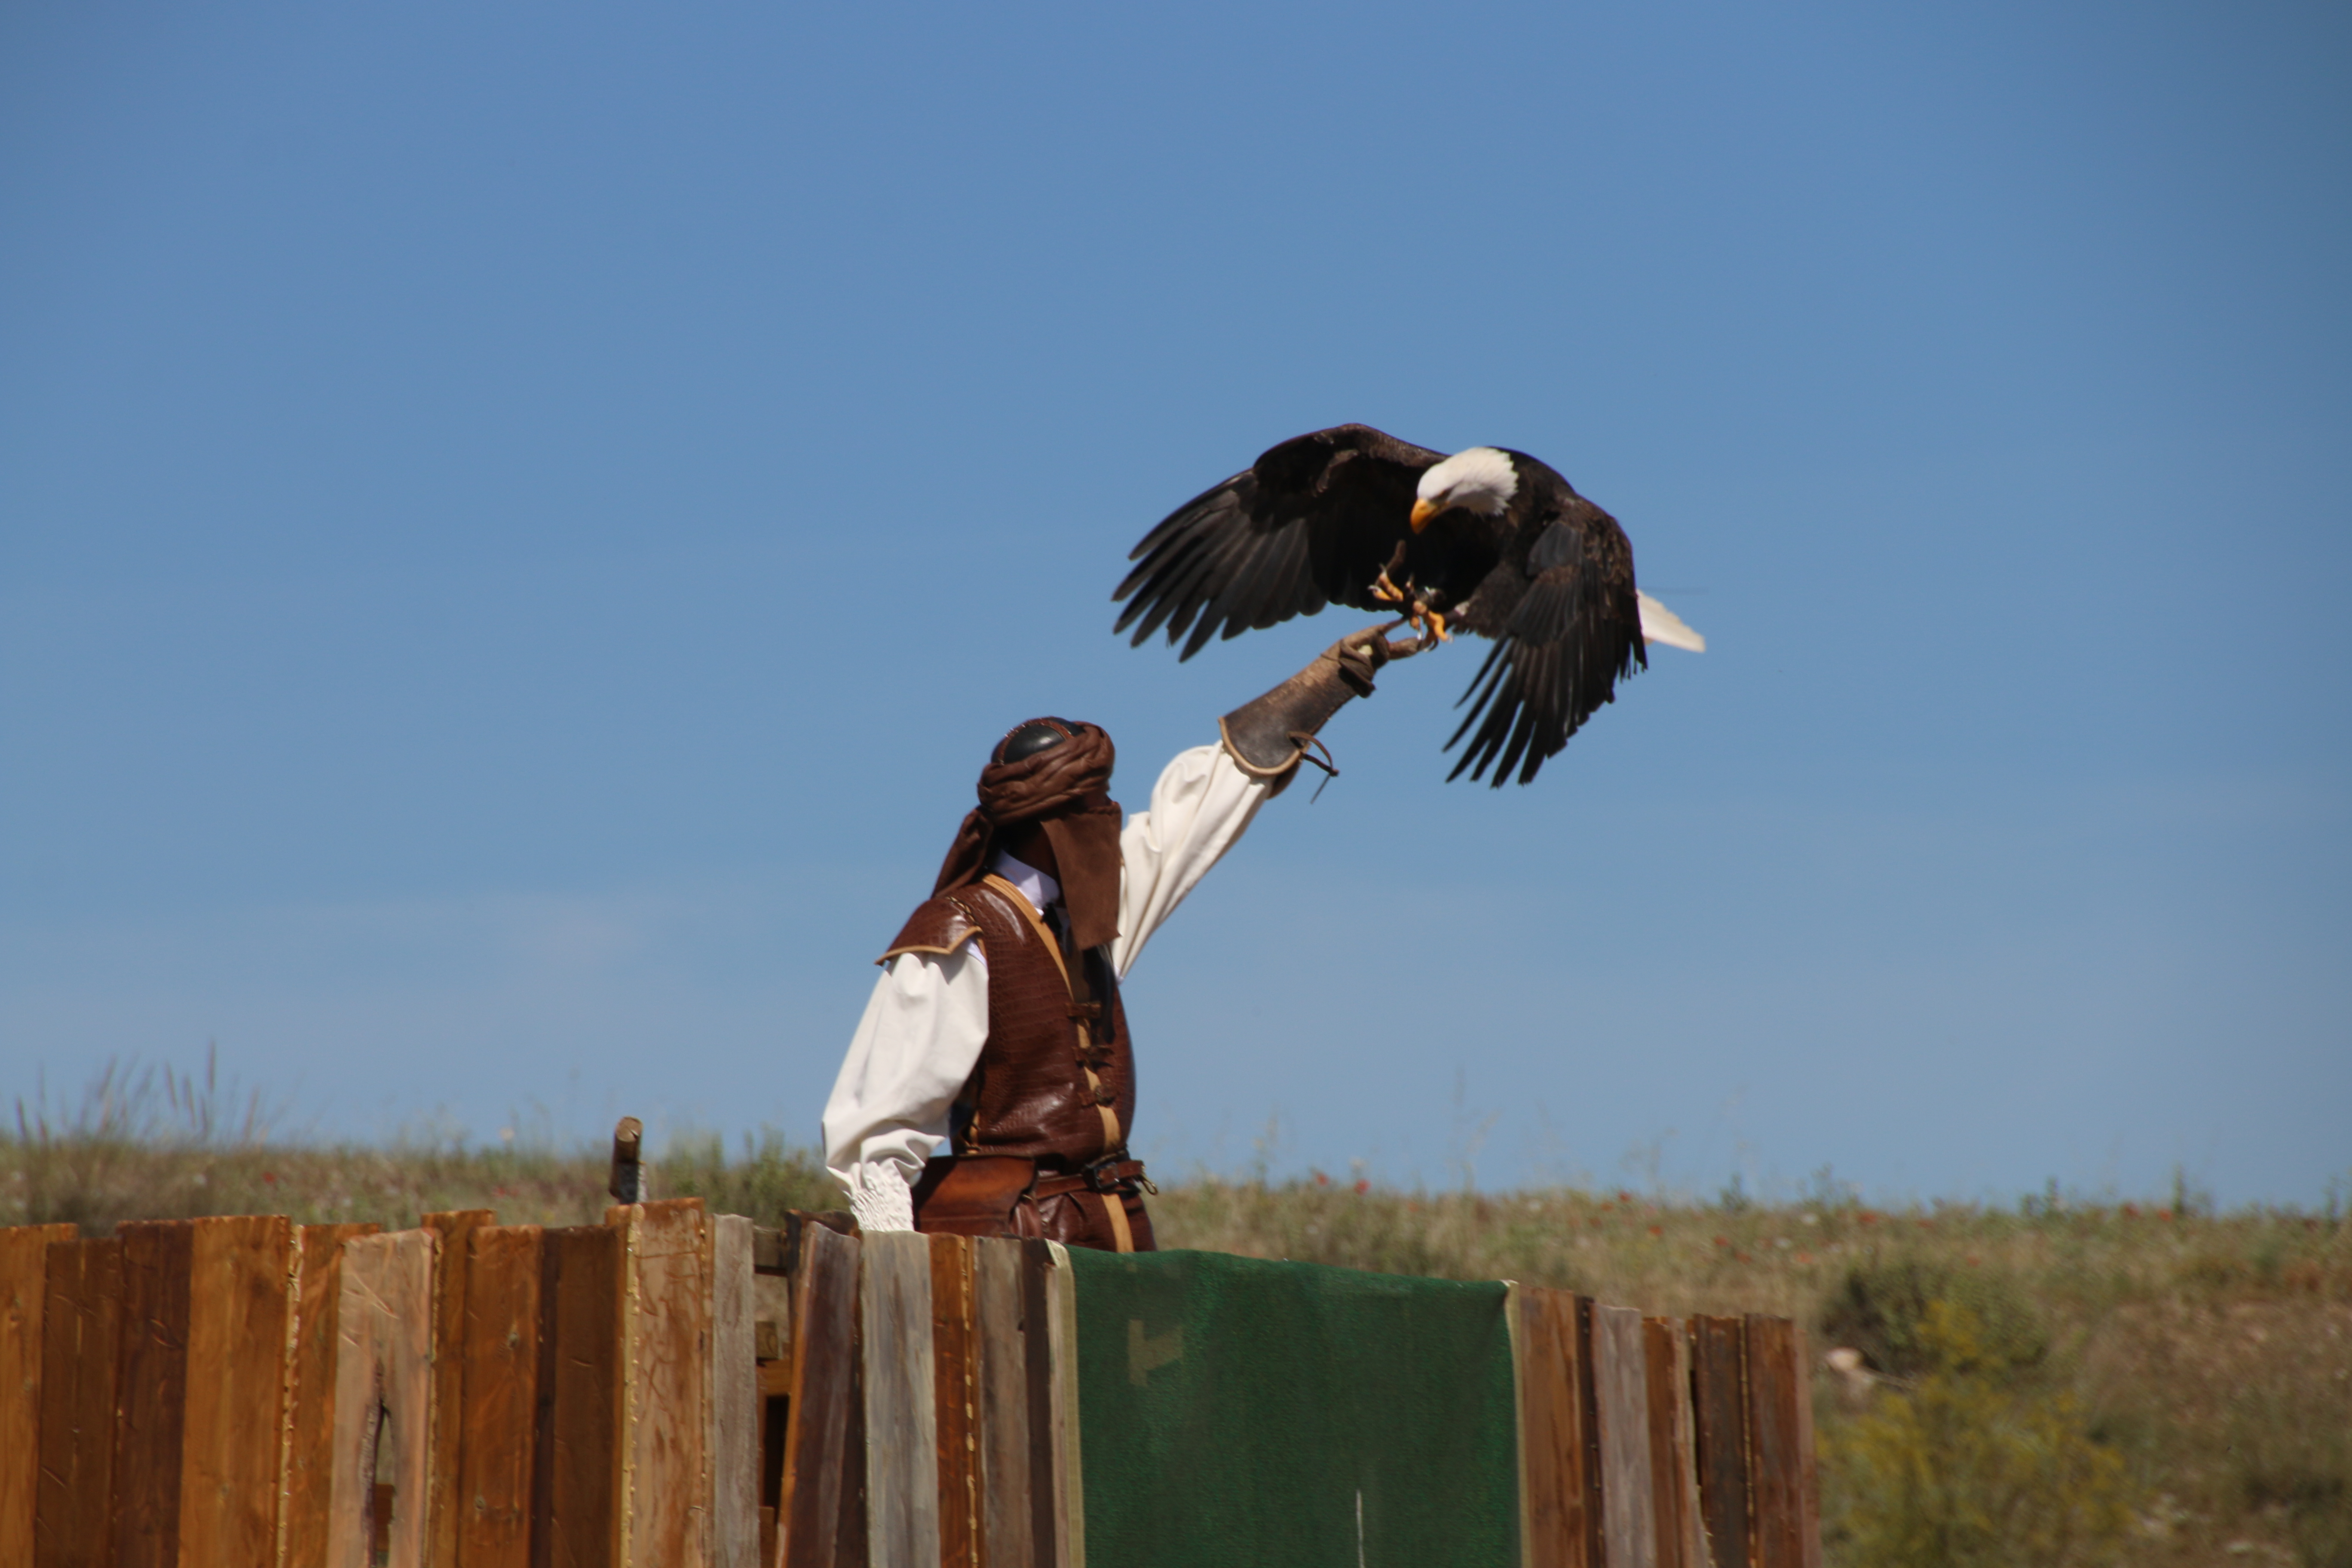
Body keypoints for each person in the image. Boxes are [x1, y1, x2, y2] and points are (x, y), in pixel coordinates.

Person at [821, 626, 1409, 1252]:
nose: (1112, 819)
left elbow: (1189, 823)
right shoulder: (959, 938)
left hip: (1114, 1230)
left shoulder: (1090, 918)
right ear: (1052, 826)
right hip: (1011, 1246)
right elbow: (877, 1137)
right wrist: (904, 1275)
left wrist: (1336, 679)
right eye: (1096, 805)